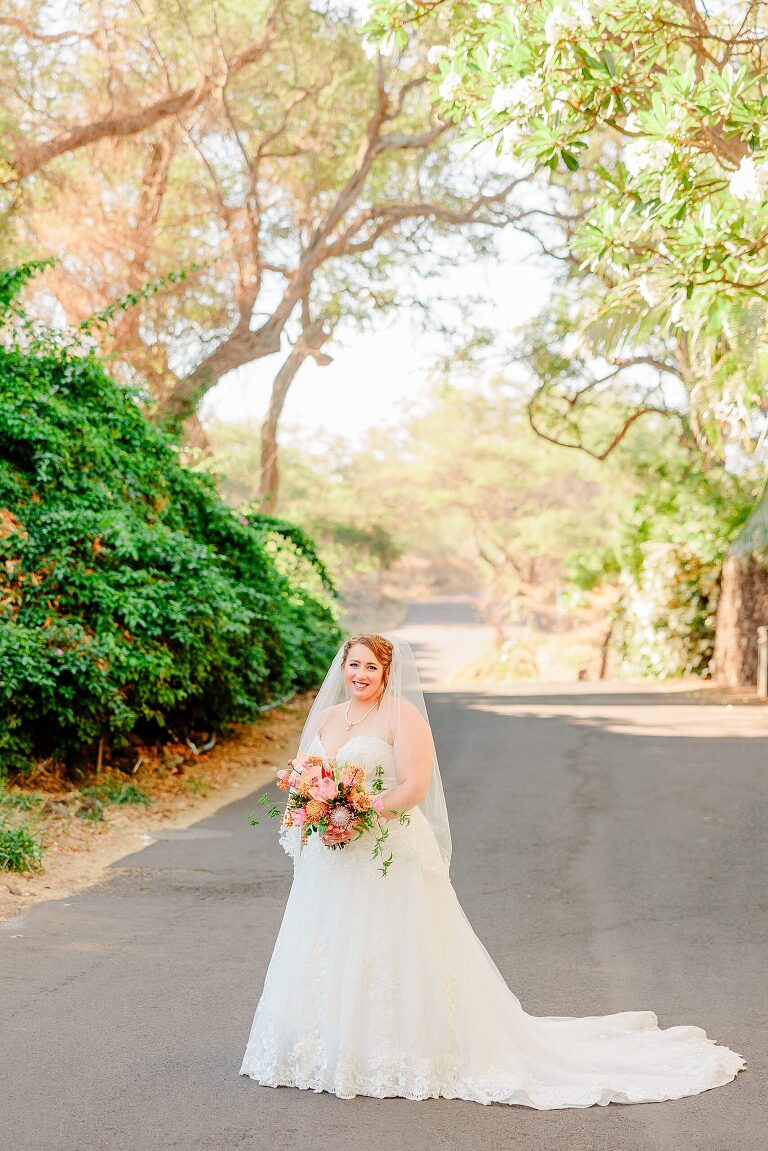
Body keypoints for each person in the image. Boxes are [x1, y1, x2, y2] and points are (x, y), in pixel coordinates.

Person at [239, 632, 746, 1107]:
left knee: (392, 943)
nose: (361, 674)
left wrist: (362, 815)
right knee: (332, 943)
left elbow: (414, 785)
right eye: (354, 665)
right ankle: (326, 1045)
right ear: (343, 668)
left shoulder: (402, 718)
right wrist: (317, 817)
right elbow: (306, 778)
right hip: (334, 854)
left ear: (387, 674)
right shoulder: (327, 720)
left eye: (372, 667)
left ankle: (401, 1049)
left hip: (383, 845)